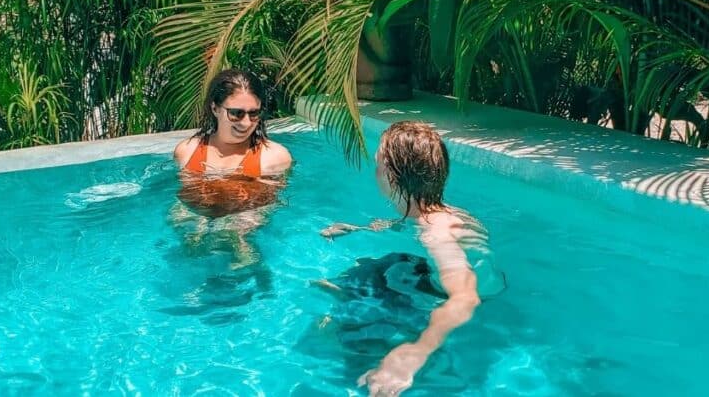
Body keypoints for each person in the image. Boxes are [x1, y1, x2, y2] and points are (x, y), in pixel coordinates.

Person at [320, 121, 505, 396]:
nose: (376, 169)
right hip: (469, 283)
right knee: (383, 264)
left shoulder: (437, 234)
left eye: (379, 163)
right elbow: (407, 224)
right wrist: (356, 229)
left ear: (394, 177)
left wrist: (414, 354)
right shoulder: (444, 213)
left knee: (357, 297)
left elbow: (466, 298)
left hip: (449, 300)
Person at [170, 68, 292, 268]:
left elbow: (269, 207)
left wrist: (235, 230)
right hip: (193, 243)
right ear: (215, 108)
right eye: (236, 113)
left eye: (254, 114)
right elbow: (184, 202)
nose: (246, 123)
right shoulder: (187, 152)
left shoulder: (274, 158)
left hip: (242, 242)